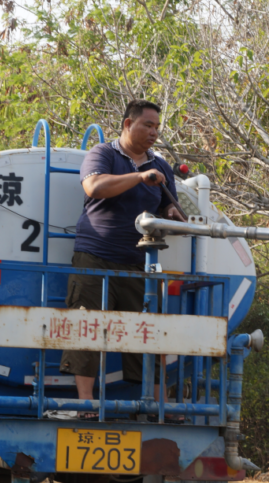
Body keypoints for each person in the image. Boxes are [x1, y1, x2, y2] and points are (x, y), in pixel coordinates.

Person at [59, 99, 185, 411]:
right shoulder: (103, 154)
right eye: (148, 125)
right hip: (94, 257)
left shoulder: (162, 167)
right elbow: (95, 187)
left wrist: (171, 212)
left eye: (157, 127)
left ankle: (161, 408)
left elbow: (170, 207)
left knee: (148, 334)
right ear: (128, 124)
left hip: (141, 263)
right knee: (86, 328)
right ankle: (87, 404)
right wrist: (140, 177)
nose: (154, 132)